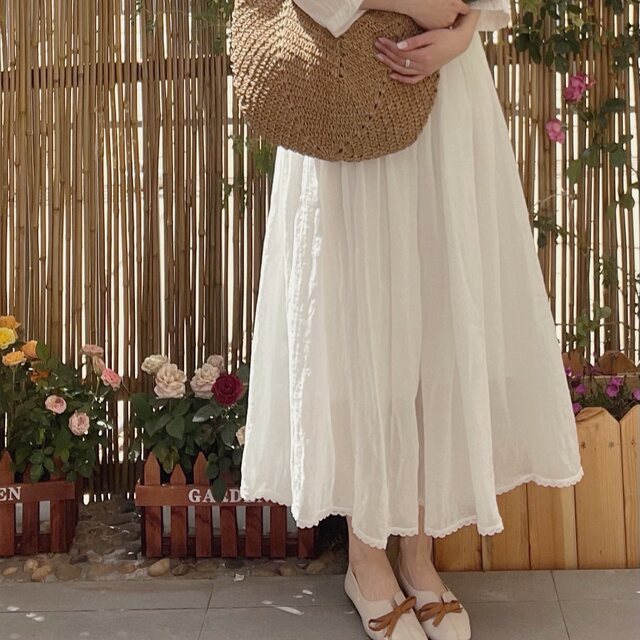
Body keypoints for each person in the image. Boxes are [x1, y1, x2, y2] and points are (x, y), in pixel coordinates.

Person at [239, 2, 584, 638]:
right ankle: (367, 557)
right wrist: (418, 6)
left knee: (436, 323)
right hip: (347, 89)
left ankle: (418, 556)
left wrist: (462, 32)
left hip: (448, 101)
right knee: (360, 323)